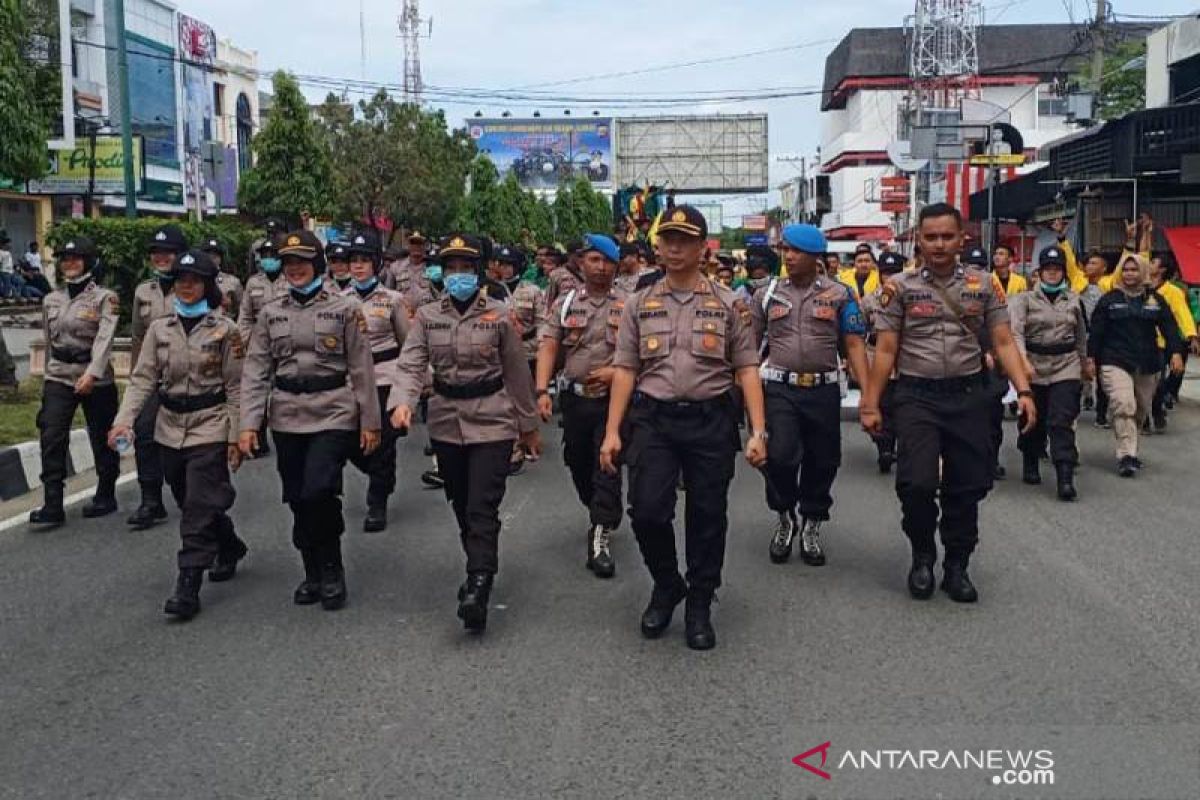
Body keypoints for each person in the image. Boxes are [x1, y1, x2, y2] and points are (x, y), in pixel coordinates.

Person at [599, 205, 767, 651]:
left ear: (702, 248)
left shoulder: (731, 304)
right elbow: (625, 369)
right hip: (654, 420)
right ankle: (667, 583)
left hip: (710, 420)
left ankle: (699, 602)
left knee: (707, 515)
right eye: (667, 239)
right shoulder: (639, 303)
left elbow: (748, 368)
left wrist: (758, 431)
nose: (673, 248)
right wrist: (612, 431)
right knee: (648, 510)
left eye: (684, 240)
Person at [861, 203, 1037, 604]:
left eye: (946, 236)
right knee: (917, 483)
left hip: (968, 395)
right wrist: (871, 404)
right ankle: (922, 553)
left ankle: (957, 564)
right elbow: (885, 351)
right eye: (930, 237)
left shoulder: (983, 284)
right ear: (918, 240)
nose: (938, 244)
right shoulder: (899, 288)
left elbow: (1004, 341)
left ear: (962, 239)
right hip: (916, 397)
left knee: (966, 484)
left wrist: (1025, 391)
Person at [388, 233, 542, 633]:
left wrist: (528, 428)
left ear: (479, 271)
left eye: (466, 268)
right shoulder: (426, 316)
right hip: (446, 419)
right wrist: (402, 402)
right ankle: (478, 563)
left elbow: (517, 373)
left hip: (492, 418)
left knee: (482, 505)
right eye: (451, 268)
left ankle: (479, 582)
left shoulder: (500, 315)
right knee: (460, 502)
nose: (458, 275)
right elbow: (411, 363)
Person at [239, 230, 381, 610]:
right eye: (288, 263)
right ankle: (311, 570)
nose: (295, 268)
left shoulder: (344, 309)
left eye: (302, 261)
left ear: (317, 263)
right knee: (298, 497)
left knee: (319, 489)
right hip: (286, 413)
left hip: (333, 409)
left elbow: (362, 368)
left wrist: (370, 422)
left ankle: (332, 568)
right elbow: (255, 370)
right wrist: (248, 424)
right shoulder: (270, 313)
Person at [108, 250, 247, 619]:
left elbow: (236, 387)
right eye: (181, 281)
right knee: (189, 499)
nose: (186, 286)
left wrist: (237, 435)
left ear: (207, 286)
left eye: (194, 281)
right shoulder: (160, 329)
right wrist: (124, 420)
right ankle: (228, 543)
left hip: (210, 423)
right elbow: (142, 379)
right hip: (169, 426)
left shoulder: (226, 330)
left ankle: (188, 583)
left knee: (198, 505)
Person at [752, 224, 869, 566]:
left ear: (816, 256)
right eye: (786, 250)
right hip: (780, 389)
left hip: (823, 390)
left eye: (796, 251)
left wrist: (869, 397)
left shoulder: (841, 294)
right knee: (782, 455)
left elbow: (853, 345)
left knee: (823, 459)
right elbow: (749, 347)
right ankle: (785, 515)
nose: (788, 257)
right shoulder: (767, 294)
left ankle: (812, 522)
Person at [535, 233, 626, 578]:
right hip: (574, 399)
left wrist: (616, 371)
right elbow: (548, 345)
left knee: (608, 462)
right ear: (581, 263)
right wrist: (541, 390)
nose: (600, 268)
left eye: (607, 261)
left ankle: (600, 531)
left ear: (616, 265)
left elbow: (646, 354)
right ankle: (600, 509)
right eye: (593, 260)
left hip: (613, 402)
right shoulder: (566, 302)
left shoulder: (631, 303)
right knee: (577, 461)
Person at [28, 237, 121, 527]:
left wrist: (92, 373)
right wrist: (47, 375)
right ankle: (52, 503)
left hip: (95, 376)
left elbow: (105, 338)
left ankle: (106, 492)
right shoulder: (51, 299)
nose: (69, 263)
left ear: (90, 262)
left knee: (102, 436)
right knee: (51, 433)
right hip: (59, 374)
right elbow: (49, 340)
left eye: (76, 258)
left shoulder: (106, 298)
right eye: (64, 259)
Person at [1087, 254, 1185, 477]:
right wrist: (1090, 359)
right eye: (1126, 270)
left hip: (1148, 363)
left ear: (1142, 273)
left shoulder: (1155, 301)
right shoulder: (1109, 300)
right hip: (1115, 360)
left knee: (1139, 410)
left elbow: (1170, 328)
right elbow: (1097, 332)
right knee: (1123, 404)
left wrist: (1176, 353)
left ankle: (1129, 443)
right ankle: (1126, 456)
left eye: (1134, 270)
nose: (1129, 274)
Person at [1008, 246, 1089, 500]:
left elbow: (1081, 336)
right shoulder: (1023, 300)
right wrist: (1022, 362)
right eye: (1048, 270)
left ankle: (1064, 475)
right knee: (1034, 418)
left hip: (1066, 365)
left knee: (1061, 420)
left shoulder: (1074, 299)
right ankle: (1030, 459)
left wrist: (1086, 363)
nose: (1053, 274)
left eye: (1057, 270)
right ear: (1039, 273)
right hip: (1033, 364)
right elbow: (1015, 333)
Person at [341, 230, 409, 531]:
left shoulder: (393, 300)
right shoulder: (339, 301)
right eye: (353, 260)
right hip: (352, 381)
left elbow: (408, 343)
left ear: (376, 264)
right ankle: (382, 474)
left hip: (385, 377)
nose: (358, 266)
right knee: (348, 441)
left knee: (382, 443)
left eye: (364, 260)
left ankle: (376, 502)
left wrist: (414, 385)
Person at [128, 224, 189, 529]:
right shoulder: (143, 291)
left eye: (168, 252)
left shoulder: (194, 286)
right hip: (154, 375)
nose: (161, 257)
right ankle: (151, 500)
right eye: (156, 252)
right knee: (143, 432)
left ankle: (195, 496)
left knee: (186, 441)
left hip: (188, 376)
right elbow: (139, 338)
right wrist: (136, 378)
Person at [860, 251, 907, 472]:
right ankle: (884, 448)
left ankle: (902, 446)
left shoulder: (912, 297)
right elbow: (858, 333)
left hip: (904, 355)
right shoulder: (870, 299)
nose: (889, 278)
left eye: (894, 273)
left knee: (903, 406)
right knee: (881, 403)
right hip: (876, 354)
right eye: (886, 273)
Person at [199, 238, 244, 319]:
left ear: (220, 258)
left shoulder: (233, 281)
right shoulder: (194, 280)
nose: (211, 259)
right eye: (207, 255)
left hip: (225, 325)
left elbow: (241, 309)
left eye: (215, 256)